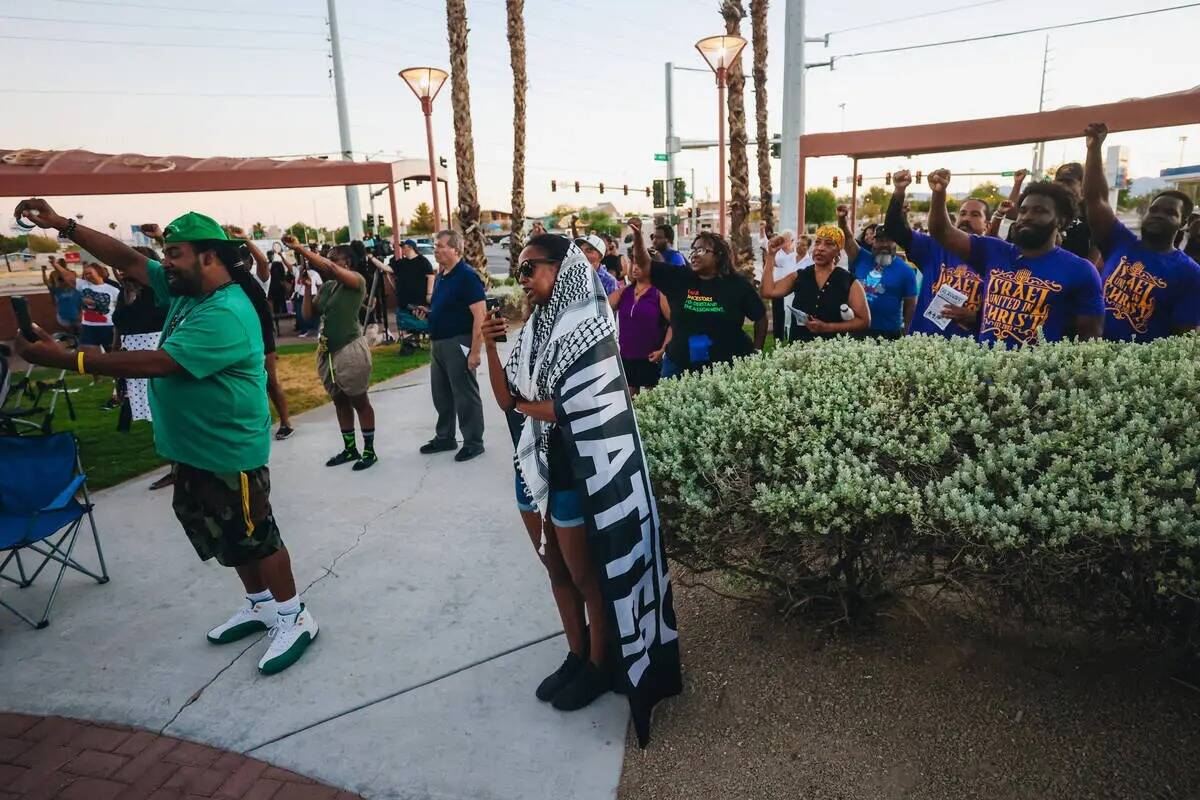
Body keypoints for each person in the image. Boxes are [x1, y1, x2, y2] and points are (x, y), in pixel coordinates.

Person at [12, 199, 318, 674]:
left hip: (228, 451)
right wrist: (63, 225)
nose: (164, 261)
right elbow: (128, 260)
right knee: (226, 536)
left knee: (258, 536)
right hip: (193, 449)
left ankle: (294, 615)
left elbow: (161, 363)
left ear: (209, 257)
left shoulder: (226, 310)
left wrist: (69, 359)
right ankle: (259, 604)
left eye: (175, 253)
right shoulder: (186, 290)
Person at [479, 235, 617, 710]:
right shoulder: (536, 326)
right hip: (532, 461)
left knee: (584, 576)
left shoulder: (591, 323)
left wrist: (524, 406)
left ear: (562, 267)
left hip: (574, 466)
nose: (522, 280)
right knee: (554, 568)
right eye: (518, 271)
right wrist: (491, 346)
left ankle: (601, 666)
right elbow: (505, 401)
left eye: (529, 268)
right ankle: (576, 655)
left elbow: (572, 407)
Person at [926, 169, 1103, 348]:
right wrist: (939, 193)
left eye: (1039, 211)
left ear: (1061, 221)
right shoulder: (993, 250)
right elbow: (943, 232)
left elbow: (1089, 339)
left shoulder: (1080, 270)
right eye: (1023, 211)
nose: (1027, 217)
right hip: (984, 370)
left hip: (1039, 374)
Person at [1083, 122, 1200, 342]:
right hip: (1091, 357)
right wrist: (1094, 150)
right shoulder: (1119, 241)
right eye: (1154, 209)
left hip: (1135, 372)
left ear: (1182, 223)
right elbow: (1095, 199)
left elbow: (1184, 339)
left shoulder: (1190, 273)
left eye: (1169, 213)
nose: (1158, 215)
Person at [282, 235, 378, 470]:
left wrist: (299, 249)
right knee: (339, 401)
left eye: (334, 258)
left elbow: (329, 267)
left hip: (350, 349)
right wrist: (306, 288)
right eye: (329, 256)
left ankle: (369, 450)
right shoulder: (327, 287)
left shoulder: (356, 282)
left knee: (359, 400)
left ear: (347, 263)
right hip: (327, 351)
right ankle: (349, 448)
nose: (328, 260)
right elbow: (307, 315)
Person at [643, 222, 766, 374]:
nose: (694, 255)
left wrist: (756, 352)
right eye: (693, 250)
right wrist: (637, 237)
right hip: (679, 364)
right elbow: (646, 266)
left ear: (718, 256)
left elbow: (760, 317)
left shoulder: (737, 285)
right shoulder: (681, 278)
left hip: (724, 366)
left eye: (701, 250)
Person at [885, 169, 987, 338]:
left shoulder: (995, 258)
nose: (966, 218)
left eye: (975, 215)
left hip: (969, 354)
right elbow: (894, 229)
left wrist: (974, 317)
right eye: (962, 213)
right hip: (923, 347)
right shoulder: (935, 247)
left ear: (987, 225)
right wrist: (899, 191)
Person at [418, 229, 486, 462]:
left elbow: (480, 314)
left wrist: (475, 351)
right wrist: (428, 314)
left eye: (440, 246)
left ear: (456, 249)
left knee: (465, 394)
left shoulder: (467, 276)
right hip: (438, 343)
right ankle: (445, 437)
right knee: (441, 394)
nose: (435, 250)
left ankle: (474, 442)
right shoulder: (442, 276)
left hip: (459, 342)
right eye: (435, 246)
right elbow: (447, 308)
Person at [226, 226, 294, 440]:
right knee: (245, 385)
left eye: (240, 261)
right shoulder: (229, 284)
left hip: (262, 338)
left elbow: (264, 262)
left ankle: (285, 423)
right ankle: (255, 425)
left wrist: (246, 239)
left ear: (248, 263)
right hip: (239, 338)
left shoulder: (258, 282)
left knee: (270, 382)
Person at [761, 226, 870, 342]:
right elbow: (767, 291)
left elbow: (864, 321)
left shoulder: (848, 281)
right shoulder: (799, 276)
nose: (820, 248)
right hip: (799, 348)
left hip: (831, 350)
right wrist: (771, 255)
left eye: (828, 244)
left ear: (838, 251)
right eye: (817, 243)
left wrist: (828, 328)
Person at [838, 207, 917, 339]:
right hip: (857, 330)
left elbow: (910, 309)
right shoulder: (860, 257)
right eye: (880, 240)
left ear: (895, 243)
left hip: (889, 334)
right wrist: (842, 219)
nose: (884, 244)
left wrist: (907, 337)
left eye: (889, 240)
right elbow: (847, 238)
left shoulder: (906, 271)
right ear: (873, 242)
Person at [111, 245, 168, 425]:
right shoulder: (126, 290)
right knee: (141, 395)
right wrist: (115, 345)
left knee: (159, 396)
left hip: (155, 347)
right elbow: (119, 321)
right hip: (130, 346)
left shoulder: (161, 289)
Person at [612, 223, 671, 394]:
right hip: (626, 357)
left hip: (650, 359)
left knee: (650, 403)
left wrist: (663, 350)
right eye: (633, 262)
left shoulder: (659, 293)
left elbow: (674, 323)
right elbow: (601, 309)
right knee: (630, 403)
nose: (635, 267)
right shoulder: (624, 292)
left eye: (640, 263)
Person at [389, 238, 436, 353]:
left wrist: (429, 293)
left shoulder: (423, 261)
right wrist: (372, 258)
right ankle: (413, 340)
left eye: (403, 247)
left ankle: (421, 339)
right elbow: (389, 269)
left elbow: (431, 275)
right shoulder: (401, 263)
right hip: (405, 300)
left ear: (410, 248)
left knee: (420, 319)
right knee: (407, 319)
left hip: (419, 299)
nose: (402, 250)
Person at [76, 261, 120, 352]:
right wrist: (55, 264)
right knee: (84, 352)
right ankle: (84, 366)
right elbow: (68, 277)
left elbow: (120, 309)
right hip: (88, 327)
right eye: (86, 274)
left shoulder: (113, 290)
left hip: (107, 327)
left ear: (99, 272)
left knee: (112, 353)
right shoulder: (83, 285)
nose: (87, 276)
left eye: (90, 273)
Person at [768, 229, 803, 342]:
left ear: (792, 241)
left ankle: (792, 338)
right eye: (781, 239)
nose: (782, 242)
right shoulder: (777, 253)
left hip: (794, 290)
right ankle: (778, 339)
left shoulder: (797, 255)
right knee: (778, 315)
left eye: (785, 240)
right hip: (778, 289)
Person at [41, 257, 81, 334]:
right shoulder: (55, 280)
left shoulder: (75, 285)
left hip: (76, 315)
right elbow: (48, 284)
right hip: (65, 315)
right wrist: (43, 272)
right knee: (71, 332)